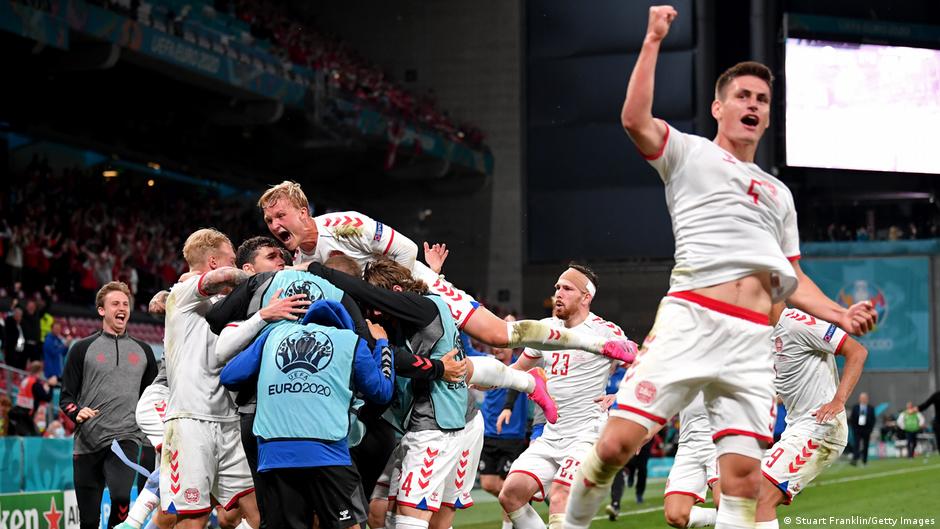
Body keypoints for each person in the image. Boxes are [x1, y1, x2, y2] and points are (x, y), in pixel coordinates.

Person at [563, 7, 876, 529]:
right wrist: (652, 40)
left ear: (768, 117)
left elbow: (793, 277)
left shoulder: (779, 195)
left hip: (751, 343)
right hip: (691, 320)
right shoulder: (689, 154)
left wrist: (840, 315)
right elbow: (634, 120)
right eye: (742, 96)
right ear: (719, 107)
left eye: (762, 100)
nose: (753, 104)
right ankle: (572, 522)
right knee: (616, 445)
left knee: (744, 485)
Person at [257, 181, 635, 365]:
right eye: (270, 220)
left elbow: (406, 250)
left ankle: (593, 344)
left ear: (303, 212)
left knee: (499, 335)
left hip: (419, 292)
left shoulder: (344, 226)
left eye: (280, 215)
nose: (275, 225)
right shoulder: (297, 260)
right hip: (385, 311)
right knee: (454, 371)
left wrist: (410, 294)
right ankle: (524, 384)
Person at [222, 296, 395, 529]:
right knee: (349, 525)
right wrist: (383, 345)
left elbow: (229, 376)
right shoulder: (350, 340)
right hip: (327, 452)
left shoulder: (274, 335)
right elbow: (382, 391)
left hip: (273, 451)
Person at [497, 265, 631, 529]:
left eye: (567, 288)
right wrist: (488, 378)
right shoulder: (545, 328)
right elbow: (518, 369)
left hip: (587, 433)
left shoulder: (605, 331)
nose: (558, 293)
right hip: (551, 434)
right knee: (510, 495)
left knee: (560, 496)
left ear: (586, 297)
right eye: (557, 287)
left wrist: (620, 395)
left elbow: (645, 366)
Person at [159, 229, 258, 529]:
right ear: (213, 261)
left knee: (257, 511)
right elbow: (222, 277)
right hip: (190, 421)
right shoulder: (183, 292)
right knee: (194, 518)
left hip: (228, 420)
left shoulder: (223, 302)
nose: (236, 265)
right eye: (232, 259)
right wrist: (264, 278)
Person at [756, 307, 868, 527]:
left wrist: (838, 400)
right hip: (796, 427)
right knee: (741, 495)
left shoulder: (795, 323)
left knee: (761, 496)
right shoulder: (763, 336)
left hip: (821, 428)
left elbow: (857, 351)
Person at [60, 281, 158, 529]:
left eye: (125, 304)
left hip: (126, 438)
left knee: (122, 496)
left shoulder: (144, 351)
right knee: (89, 521)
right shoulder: (81, 349)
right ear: (101, 310)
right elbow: (66, 398)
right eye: (115, 304)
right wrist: (77, 412)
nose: (122, 308)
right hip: (87, 443)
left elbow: (153, 396)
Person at [479, 340, 529, 529]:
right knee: (488, 484)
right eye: (494, 345)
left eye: (501, 346)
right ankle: (520, 503)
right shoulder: (488, 364)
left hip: (512, 436)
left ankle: (509, 523)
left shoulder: (522, 366)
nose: (496, 349)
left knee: (507, 485)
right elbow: (467, 350)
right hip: (489, 434)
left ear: (511, 348)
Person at [657, 394, 720, 529]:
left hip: (719, 440)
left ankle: (735, 516)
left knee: (724, 503)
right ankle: (741, 516)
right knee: (675, 516)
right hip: (687, 445)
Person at [10, 361, 55, 436]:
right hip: (27, 415)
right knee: (33, 436)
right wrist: (51, 386)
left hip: (19, 411)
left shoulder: (25, 380)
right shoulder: (35, 383)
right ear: (39, 371)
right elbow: (46, 398)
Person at [849, 392, 875, 465]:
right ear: (859, 399)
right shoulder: (855, 407)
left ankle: (864, 460)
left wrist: (870, 429)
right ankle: (855, 459)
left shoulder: (870, 408)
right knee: (856, 444)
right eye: (862, 398)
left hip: (867, 429)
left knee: (866, 445)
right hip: (857, 429)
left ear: (867, 399)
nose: (863, 399)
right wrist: (854, 428)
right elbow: (852, 418)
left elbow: (873, 419)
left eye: (864, 398)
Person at [917, 391, 940, 456]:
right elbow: (926, 404)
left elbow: (925, 404)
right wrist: (917, 408)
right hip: (938, 424)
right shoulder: (937, 395)